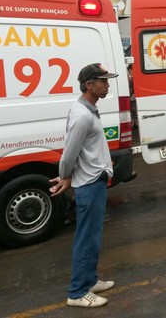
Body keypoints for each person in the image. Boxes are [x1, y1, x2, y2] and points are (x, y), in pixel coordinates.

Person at [49, 63, 118, 308]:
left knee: (93, 236)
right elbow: (69, 153)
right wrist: (65, 175)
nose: (107, 84)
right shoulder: (82, 115)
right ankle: (77, 292)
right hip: (89, 184)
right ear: (89, 85)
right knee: (87, 239)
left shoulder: (87, 110)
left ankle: (89, 280)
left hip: (93, 181)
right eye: (103, 80)